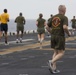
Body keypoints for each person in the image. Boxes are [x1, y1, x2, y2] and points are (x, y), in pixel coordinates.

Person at [46, 5, 71, 73]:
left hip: (53, 36)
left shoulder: (53, 17)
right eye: (65, 9)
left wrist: (52, 32)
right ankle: (51, 62)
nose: (66, 10)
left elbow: (47, 27)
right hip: (60, 36)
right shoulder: (64, 17)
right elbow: (65, 27)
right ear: (63, 10)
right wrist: (68, 34)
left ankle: (53, 68)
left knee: (55, 52)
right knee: (61, 53)